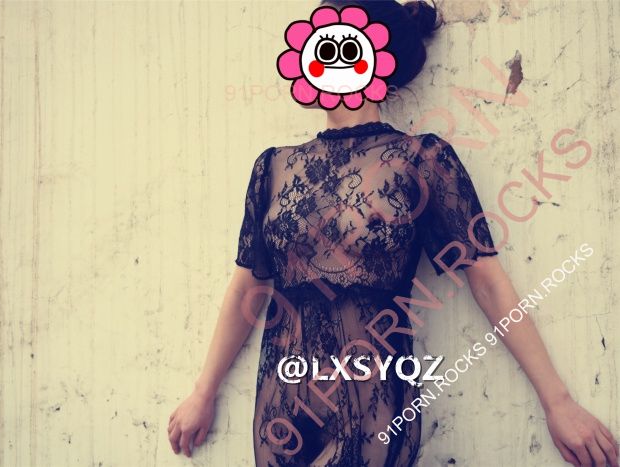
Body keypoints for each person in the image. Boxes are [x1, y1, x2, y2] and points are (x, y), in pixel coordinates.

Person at [168, 1, 619, 465]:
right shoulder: (273, 167)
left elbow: (486, 280)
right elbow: (247, 287)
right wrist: (203, 391)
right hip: (282, 408)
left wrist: (558, 402)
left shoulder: (421, 159)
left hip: (374, 407)